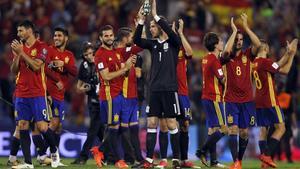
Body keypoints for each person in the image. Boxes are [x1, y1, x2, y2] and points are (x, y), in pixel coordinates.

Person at [133, 0, 182, 168]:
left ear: (161, 28)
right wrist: (141, 20)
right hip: (154, 90)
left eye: (153, 26)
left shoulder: (174, 43)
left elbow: (171, 32)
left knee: (171, 124)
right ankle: (148, 160)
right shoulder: (152, 44)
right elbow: (137, 40)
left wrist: (155, 15)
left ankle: (176, 159)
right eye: (151, 26)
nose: (151, 28)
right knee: (151, 123)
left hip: (169, 89)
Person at [10, 20, 59, 169]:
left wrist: (22, 53)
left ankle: (55, 151)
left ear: (29, 31)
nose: (18, 34)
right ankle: (28, 163)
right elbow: (13, 70)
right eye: (18, 31)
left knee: (42, 127)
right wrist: (18, 55)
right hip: (21, 93)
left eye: (21, 31)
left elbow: (37, 66)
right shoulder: (20, 48)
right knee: (22, 125)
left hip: (37, 93)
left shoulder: (42, 47)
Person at [90, 25, 136, 169]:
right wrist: (125, 68)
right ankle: (113, 158)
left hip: (120, 94)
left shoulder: (116, 52)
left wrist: (128, 67)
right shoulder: (99, 54)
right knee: (113, 126)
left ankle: (103, 152)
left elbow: (124, 73)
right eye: (106, 36)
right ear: (101, 38)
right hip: (109, 95)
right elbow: (106, 76)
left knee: (114, 128)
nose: (109, 38)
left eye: (111, 35)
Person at [197, 18, 237, 168]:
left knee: (212, 129)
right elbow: (222, 79)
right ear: (215, 44)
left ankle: (213, 161)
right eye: (220, 41)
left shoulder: (206, 59)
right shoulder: (214, 61)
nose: (222, 43)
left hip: (206, 97)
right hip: (214, 98)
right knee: (224, 129)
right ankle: (202, 151)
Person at [222, 13, 261, 169]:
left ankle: (239, 160)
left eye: (240, 40)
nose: (239, 42)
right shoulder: (227, 56)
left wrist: (246, 27)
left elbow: (258, 45)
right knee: (233, 129)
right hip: (231, 100)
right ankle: (235, 162)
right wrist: (233, 32)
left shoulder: (248, 55)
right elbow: (225, 51)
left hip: (247, 101)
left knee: (244, 132)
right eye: (236, 40)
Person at [253, 39, 298, 168]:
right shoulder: (265, 62)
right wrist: (288, 52)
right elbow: (279, 64)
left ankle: (264, 162)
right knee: (281, 128)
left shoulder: (255, 63)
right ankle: (266, 155)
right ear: (265, 49)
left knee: (264, 130)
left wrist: (292, 55)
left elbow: (285, 70)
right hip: (270, 100)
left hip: (259, 102)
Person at [157, 19, 194, 168]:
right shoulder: (165, 45)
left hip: (183, 92)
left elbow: (190, 53)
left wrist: (180, 33)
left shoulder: (180, 47)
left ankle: (184, 159)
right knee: (166, 125)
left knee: (185, 124)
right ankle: (166, 159)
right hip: (168, 91)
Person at [47, 27, 77, 164]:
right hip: (49, 92)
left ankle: (54, 157)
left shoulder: (69, 55)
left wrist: (63, 64)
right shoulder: (49, 50)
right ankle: (45, 154)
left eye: (59, 35)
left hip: (61, 94)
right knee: (53, 124)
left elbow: (74, 71)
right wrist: (57, 79)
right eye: (55, 35)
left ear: (66, 38)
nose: (56, 38)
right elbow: (44, 67)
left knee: (58, 127)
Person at [71, 41, 105, 165]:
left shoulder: (102, 62)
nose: (90, 56)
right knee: (99, 130)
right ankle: (109, 155)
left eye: (92, 53)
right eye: (87, 54)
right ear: (84, 56)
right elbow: (78, 87)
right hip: (92, 102)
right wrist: (84, 88)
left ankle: (84, 157)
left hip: (104, 101)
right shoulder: (84, 66)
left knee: (94, 129)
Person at [114, 27, 144, 164]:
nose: (132, 39)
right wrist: (140, 25)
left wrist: (140, 25)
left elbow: (140, 43)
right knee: (124, 129)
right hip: (124, 96)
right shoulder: (120, 52)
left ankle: (137, 158)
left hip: (133, 96)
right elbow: (140, 45)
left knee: (133, 129)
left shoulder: (127, 52)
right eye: (131, 37)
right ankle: (129, 158)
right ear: (124, 39)